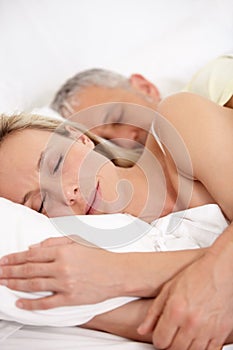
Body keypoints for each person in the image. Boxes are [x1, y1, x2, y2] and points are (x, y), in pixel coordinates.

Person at [0, 92, 233, 349]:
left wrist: (122, 272)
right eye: (42, 204)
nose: (68, 194)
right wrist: (90, 310)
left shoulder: (179, 123)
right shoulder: (89, 276)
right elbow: (191, 328)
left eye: (56, 164)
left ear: (80, 139)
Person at [51, 55, 233, 148]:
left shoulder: (212, 81)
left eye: (118, 117)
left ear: (145, 88)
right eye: (107, 141)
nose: (127, 140)